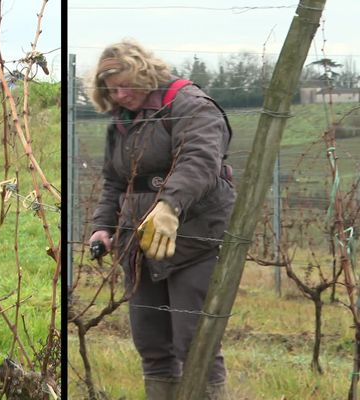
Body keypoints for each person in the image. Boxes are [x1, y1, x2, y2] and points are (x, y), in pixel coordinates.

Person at [88, 39, 236, 400]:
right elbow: (115, 180)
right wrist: (103, 226)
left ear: (144, 72)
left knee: (194, 342)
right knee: (152, 345)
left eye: (125, 84)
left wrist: (169, 207)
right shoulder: (121, 122)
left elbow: (199, 162)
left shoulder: (189, 104)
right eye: (112, 90)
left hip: (194, 239)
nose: (120, 94)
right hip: (139, 245)